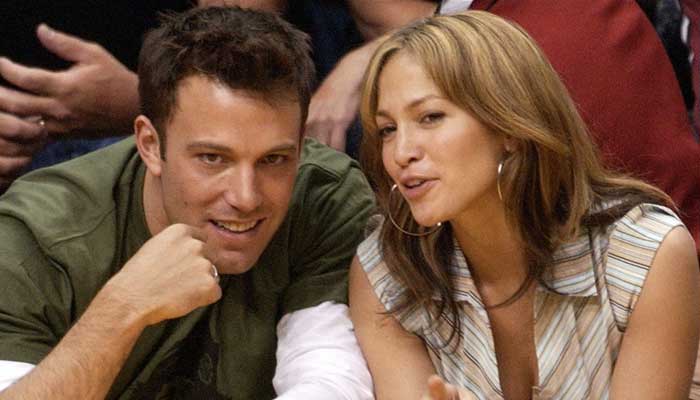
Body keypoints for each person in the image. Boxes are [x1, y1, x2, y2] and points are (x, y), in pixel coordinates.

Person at [0, 7, 375, 399]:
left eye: (273, 159)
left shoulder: (323, 196)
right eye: (212, 158)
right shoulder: (36, 237)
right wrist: (122, 309)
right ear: (150, 145)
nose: (245, 197)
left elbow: (329, 378)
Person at [350, 11, 700, 399]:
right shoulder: (387, 272)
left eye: (430, 117)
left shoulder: (646, 254)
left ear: (509, 127)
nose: (401, 152)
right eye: (388, 129)